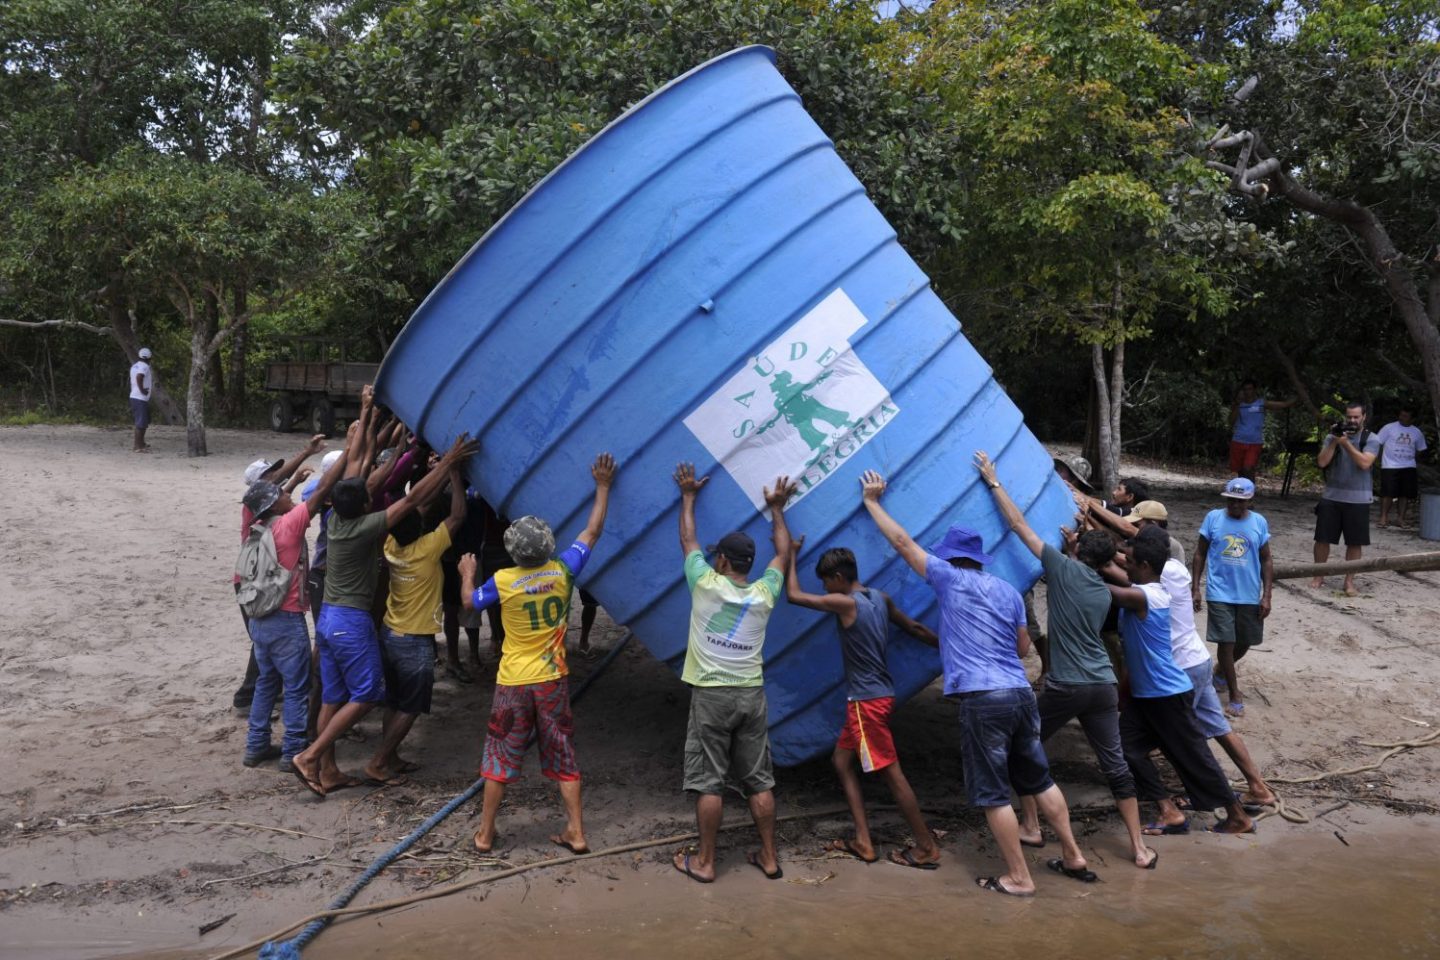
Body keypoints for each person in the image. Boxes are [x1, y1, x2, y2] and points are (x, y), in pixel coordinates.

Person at [859, 468, 1094, 897]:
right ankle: (1074, 855)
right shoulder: (1007, 590)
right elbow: (1025, 649)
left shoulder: (948, 579)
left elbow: (902, 544)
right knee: (1039, 779)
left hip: (983, 701)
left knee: (991, 794)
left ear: (950, 558)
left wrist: (873, 503)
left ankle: (1019, 878)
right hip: (1020, 693)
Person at [975, 452, 1157, 870]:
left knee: (1026, 747)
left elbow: (1018, 525)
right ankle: (1139, 848)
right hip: (1103, 684)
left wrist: (994, 481)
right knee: (1113, 763)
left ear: (1074, 551)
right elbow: (1109, 569)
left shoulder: (1059, 568)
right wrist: (1082, 549)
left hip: (1067, 684)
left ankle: (1033, 825)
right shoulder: (1104, 591)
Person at [290, 396, 478, 799]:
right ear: (364, 506)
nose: (372, 490)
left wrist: (367, 418)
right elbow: (410, 500)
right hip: (351, 622)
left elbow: (360, 469)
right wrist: (449, 463)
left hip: (328, 623)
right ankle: (311, 756)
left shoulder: (336, 516)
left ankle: (329, 769)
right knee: (369, 694)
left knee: (335, 696)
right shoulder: (364, 528)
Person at [460, 453, 617, 856]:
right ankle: (576, 832)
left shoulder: (504, 581)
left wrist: (465, 573)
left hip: (513, 681)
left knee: (499, 756)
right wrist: (602, 486)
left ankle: (485, 834)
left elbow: (469, 604)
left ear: (514, 552)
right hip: (552, 680)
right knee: (564, 753)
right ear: (548, 546)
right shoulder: (563, 572)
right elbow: (592, 532)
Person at [782, 538, 943, 868]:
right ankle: (864, 841)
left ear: (838, 578)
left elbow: (794, 596)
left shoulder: (847, 604)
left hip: (866, 704)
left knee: (892, 775)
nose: (827, 588)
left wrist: (791, 555)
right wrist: (947, 646)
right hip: (875, 696)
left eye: (827, 582)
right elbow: (913, 627)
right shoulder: (880, 599)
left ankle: (926, 846)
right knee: (841, 762)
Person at [669, 463, 793, 884]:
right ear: (748, 564)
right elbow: (782, 553)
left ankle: (705, 862)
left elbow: (688, 539)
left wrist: (688, 495)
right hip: (751, 695)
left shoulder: (705, 582)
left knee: (710, 782)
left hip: (712, 696)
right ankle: (770, 857)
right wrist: (777, 509)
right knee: (759, 780)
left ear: (721, 560)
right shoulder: (765, 592)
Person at [1124, 526, 1276, 834]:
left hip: (1176, 673)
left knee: (1186, 745)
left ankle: (1230, 812)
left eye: (1133, 556)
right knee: (1214, 730)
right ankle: (1256, 787)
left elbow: (1115, 570)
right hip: (1197, 661)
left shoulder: (1153, 583)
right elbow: (1120, 560)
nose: (1127, 560)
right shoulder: (1175, 567)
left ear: (1146, 563)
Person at [237, 440, 350, 772]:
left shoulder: (255, 529)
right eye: (283, 495)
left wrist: (297, 476)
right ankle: (293, 752)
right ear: (274, 506)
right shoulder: (288, 527)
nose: (289, 495)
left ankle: (256, 746)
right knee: (298, 687)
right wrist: (352, 450)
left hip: (260, 618)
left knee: (267, 683)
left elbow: (293, 494)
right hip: (286, 619)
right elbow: (322, 492)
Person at [368, 462, 470, 784]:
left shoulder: (391, 545)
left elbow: (418, 506)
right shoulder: (428, 549)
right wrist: (453, 475)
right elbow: (457, 517)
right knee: (412, 706)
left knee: (395, 700)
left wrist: (437, 475)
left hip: (390, 633)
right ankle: (379, 762)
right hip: (414, 638)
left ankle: (392, 757)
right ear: (422, 528)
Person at [232, 434, 329, 712]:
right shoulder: (252, 506)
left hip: (258, 577)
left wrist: (295, 481)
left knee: (263, 640)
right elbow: (271, 488)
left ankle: (264, 694)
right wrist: (306, 452)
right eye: (270, 473)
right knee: (262, 639)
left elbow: (274, 492)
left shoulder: (264, 506)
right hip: (255, 580)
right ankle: (246, 697)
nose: (275, 475)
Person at [1192, 477, 1273, 717]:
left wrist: (1267, 594)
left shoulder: (1258, 522)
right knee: (1225, 643)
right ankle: (1234, 693)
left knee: (1246, 641)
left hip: (1248, 593)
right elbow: (1200, 554)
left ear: (1249, 501)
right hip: (1219, 592)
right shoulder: (1213, 518)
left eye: (1240, 501)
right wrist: (1195, 587)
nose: (1235, 505)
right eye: (1231, 500)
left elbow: (1266, 559)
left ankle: (1219, 673)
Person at [1311, 401, 1380, 596]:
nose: (1352, 420)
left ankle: (1349, 581)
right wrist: (1334, 440)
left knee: (1355, 542)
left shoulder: (1372, 439)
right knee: (1322, 538)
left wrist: (1346, 444)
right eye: (1349, 417)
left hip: (1359, 499)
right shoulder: (1333, 436)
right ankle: (1318, 575)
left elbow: (1365, 463)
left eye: (1356, 417)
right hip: (1331, 495)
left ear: (1364, 417)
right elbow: (1322, 462)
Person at [1229, 380, 1296, 480]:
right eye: (1245, 389)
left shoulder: (1261, 403)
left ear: (1254, 390)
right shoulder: (1239, 405)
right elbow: (1231, 421)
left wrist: (1298, 395)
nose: (1248, 392)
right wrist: (1237, 405)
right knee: (1240, 470)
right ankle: (1239, 491)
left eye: (1250, 389)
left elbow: (1283, 404)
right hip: (1238, 440)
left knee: (1249, 468)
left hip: (1254, 442)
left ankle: (1249, 492)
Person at [1087, 499, 1185, 565]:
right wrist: (1089, 519)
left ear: (1154, 524)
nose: (1133, 527)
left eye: (1137, 525)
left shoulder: (1170, 544)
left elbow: (1125, 528)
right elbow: (1119, 543)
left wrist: (1090, 503)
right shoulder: (1143, 539)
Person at [1377, 406, 1428, 528]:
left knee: (1404, 494)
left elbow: (1420, 449)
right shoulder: (1389, 428)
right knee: (1387, 493)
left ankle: (1401, 519)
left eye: (1405, 416)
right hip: (1390, 465)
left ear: (1412, 418)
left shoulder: (1416, 432)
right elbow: (1377, 442)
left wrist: (1411, 459)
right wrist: (1379, 459)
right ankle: (1383, 518)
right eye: (1401, 415)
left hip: (1408, 466)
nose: (1402, 418)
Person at [129, 347, 153, 452]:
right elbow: (139, 377)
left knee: (143, 421)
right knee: (141, 423)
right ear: (149, 358)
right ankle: (138, 447)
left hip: (135, 396)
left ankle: (141, 443)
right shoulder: (145, 366)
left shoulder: (135, 366)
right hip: (140, 397)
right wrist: (142, 390)